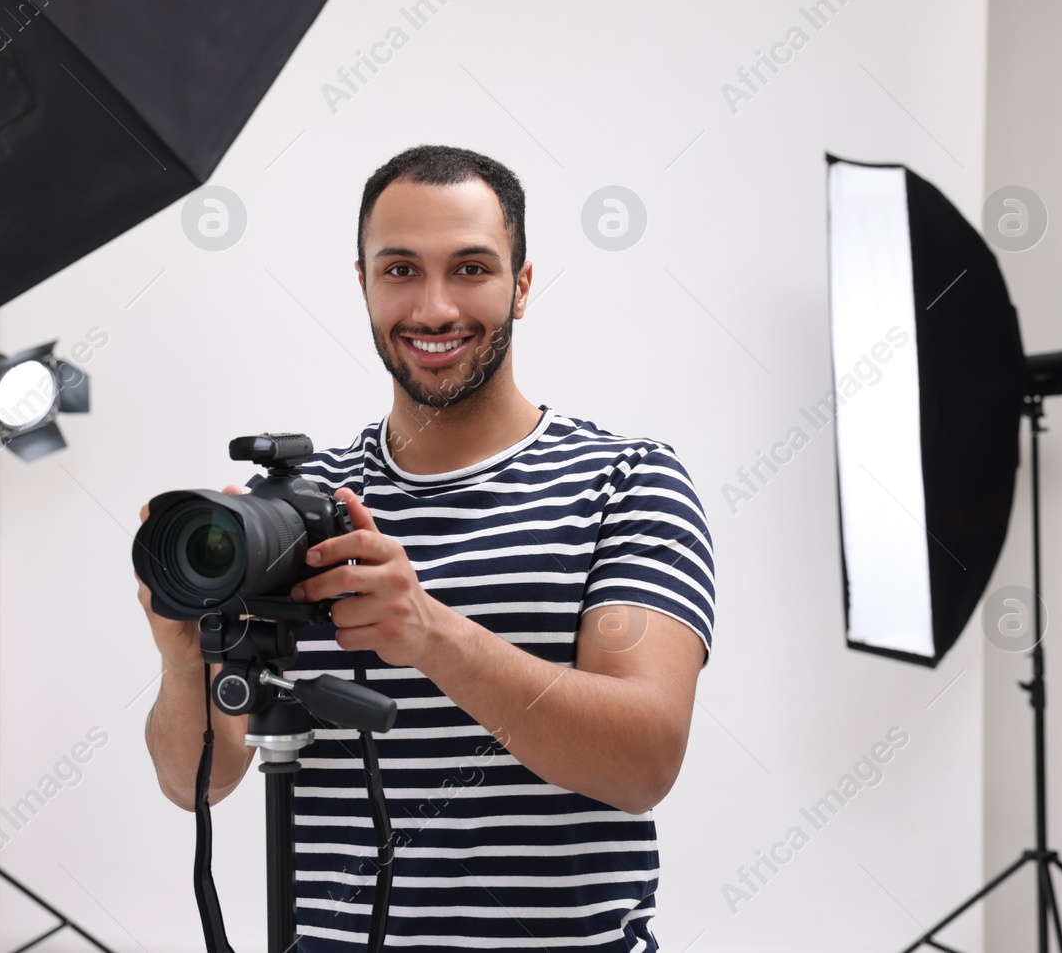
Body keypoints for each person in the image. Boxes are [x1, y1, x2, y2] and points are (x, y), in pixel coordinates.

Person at [137, 145, 715, 951]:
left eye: (471, 268)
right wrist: (181, 655)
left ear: (521, 282)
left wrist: (432, 636)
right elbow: (197, 776)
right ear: (364, 283)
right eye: (401, 270)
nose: (435, 308)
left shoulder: (626, 480)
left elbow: (644, 760)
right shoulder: (301, 508)